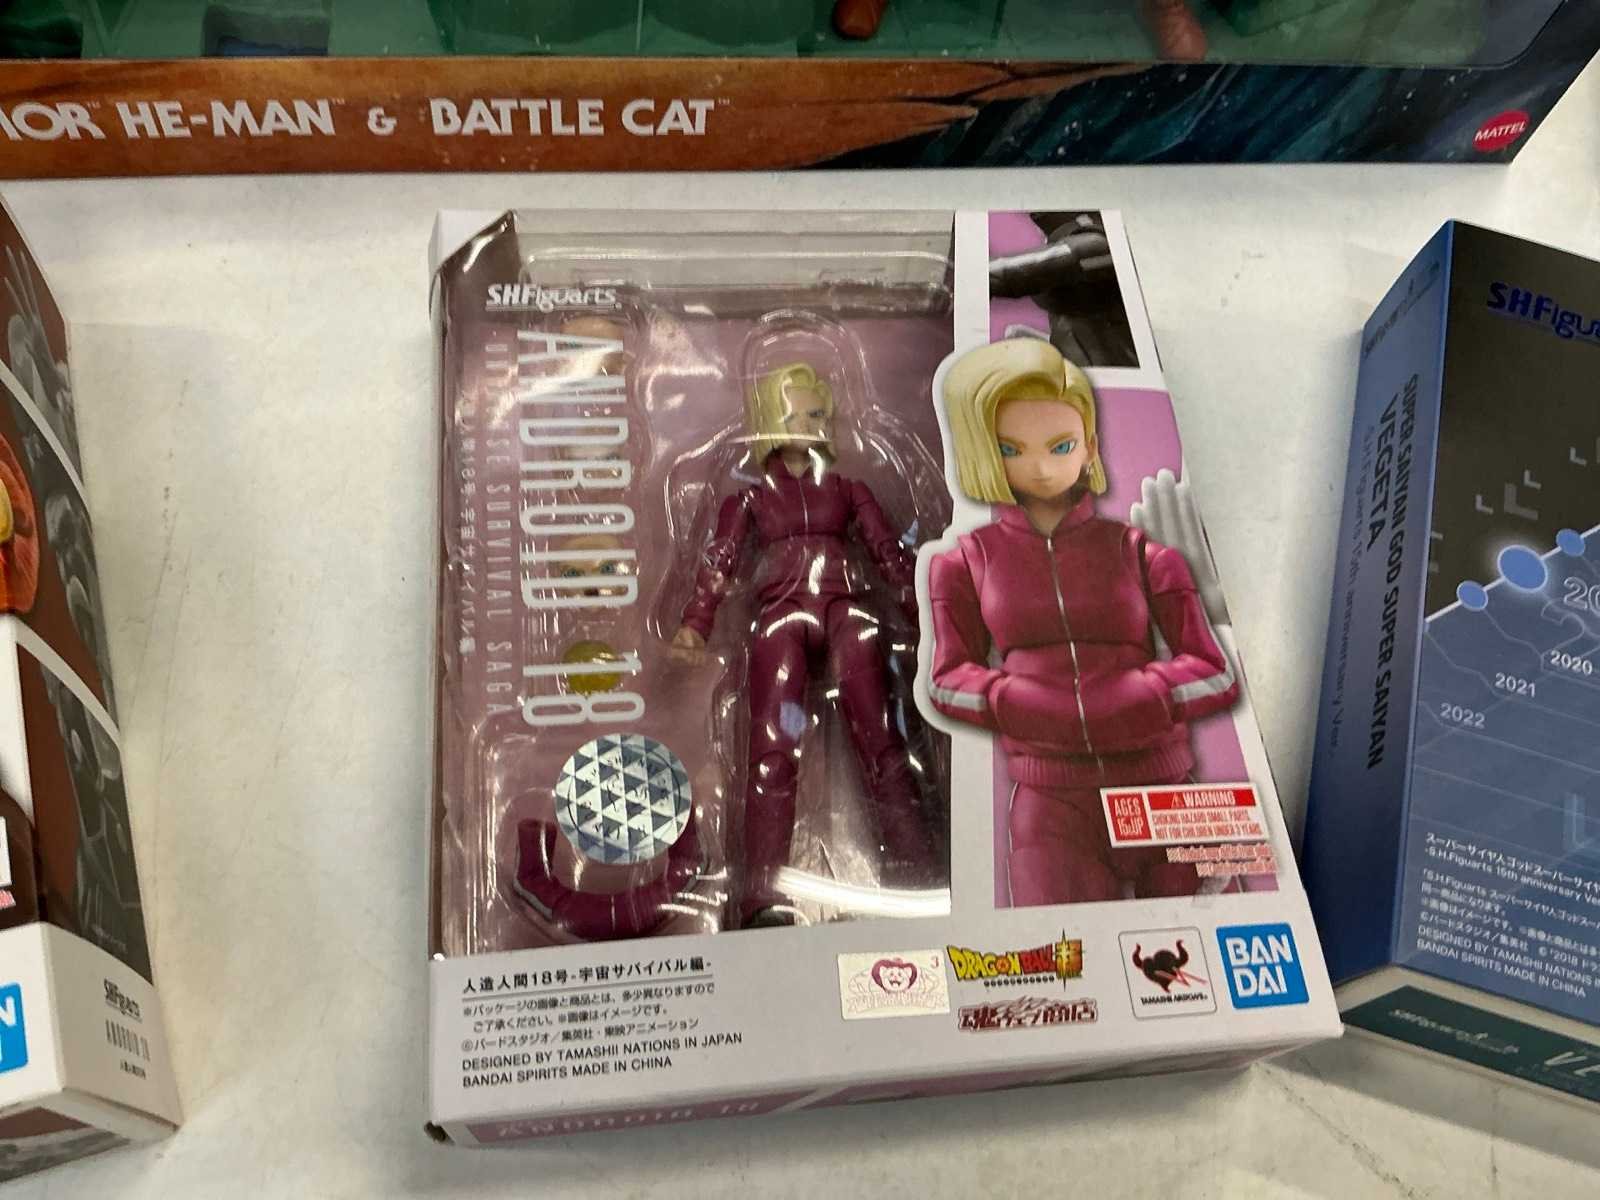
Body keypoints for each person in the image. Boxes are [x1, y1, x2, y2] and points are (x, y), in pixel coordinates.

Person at [927, 338, 1237, 906]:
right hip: (1050, 802)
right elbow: (948, 678)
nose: (1041, 467)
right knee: (1066, 951)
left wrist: (1146, 694)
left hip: (1161, 787)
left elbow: (1214, 670)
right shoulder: (965, 563)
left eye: (1061, 445)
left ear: (1090, 445)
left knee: (1213, 938)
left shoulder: (1140, 553)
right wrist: (1012, 699)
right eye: (1012, 449)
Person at [670, 362, 935, 925]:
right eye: (796, 414)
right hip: (780, 618)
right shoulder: (750, 499)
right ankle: (762, 894)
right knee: (771, 755)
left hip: (846, 613)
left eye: (817, 413)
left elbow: (889, 553)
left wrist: (925, 612)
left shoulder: (848, 490)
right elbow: (719, 562)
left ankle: (917, 869)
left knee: (884, 744)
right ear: (770, 419)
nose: (811, 423)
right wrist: (696, 623)